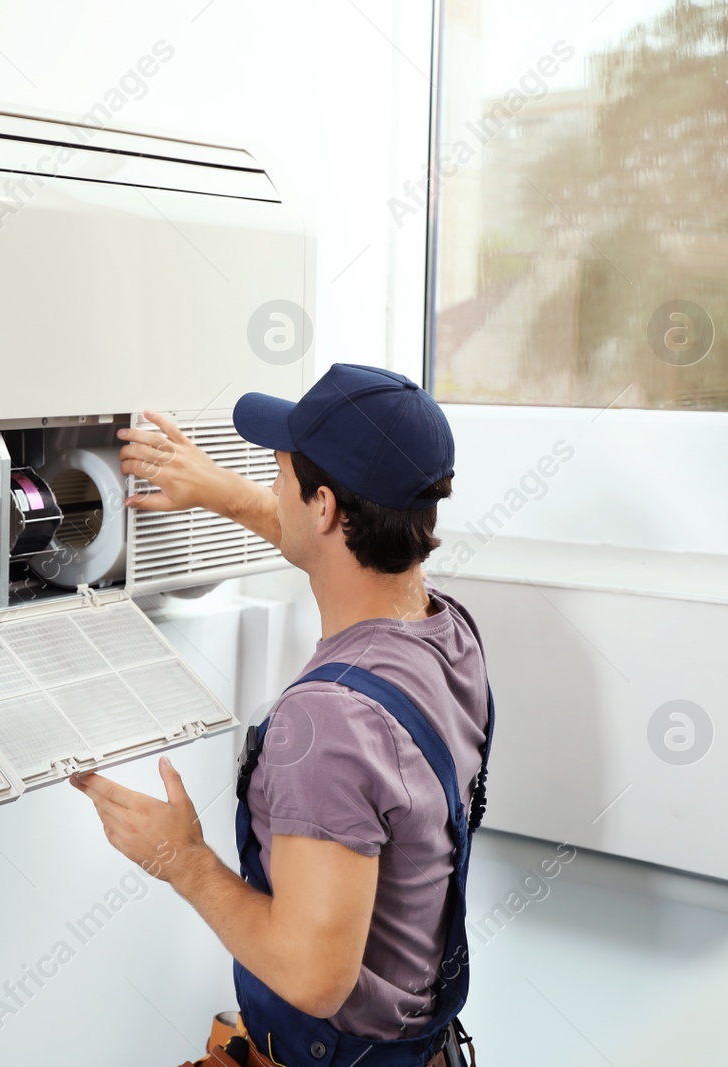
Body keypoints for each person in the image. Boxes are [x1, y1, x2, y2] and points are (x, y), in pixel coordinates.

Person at [71, 364, 492, 1067]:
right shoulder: (446, 634)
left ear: (324, 505)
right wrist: (222, 492)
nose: (272, 487)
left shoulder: (328, 723)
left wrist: (183, 860)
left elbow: (313, 976)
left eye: (279, 473)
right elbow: (333, 547)